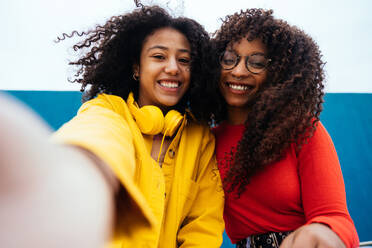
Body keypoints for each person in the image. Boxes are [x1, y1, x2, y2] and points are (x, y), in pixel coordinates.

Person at [0, 4, 224, 248]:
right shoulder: (108, 112)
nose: (173, 68)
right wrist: (72, 173)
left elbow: (203, 229)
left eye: (184, 60)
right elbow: (95, 140)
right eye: (159, 56)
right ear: (137, 68)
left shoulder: (201, 138)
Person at [210, 8, 359, 248]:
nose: (238, 71)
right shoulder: (206, 141)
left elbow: (337, 218)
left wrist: (321, 234)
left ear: (277, 73)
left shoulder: (302, 131)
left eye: (256, 63)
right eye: (229, 59)